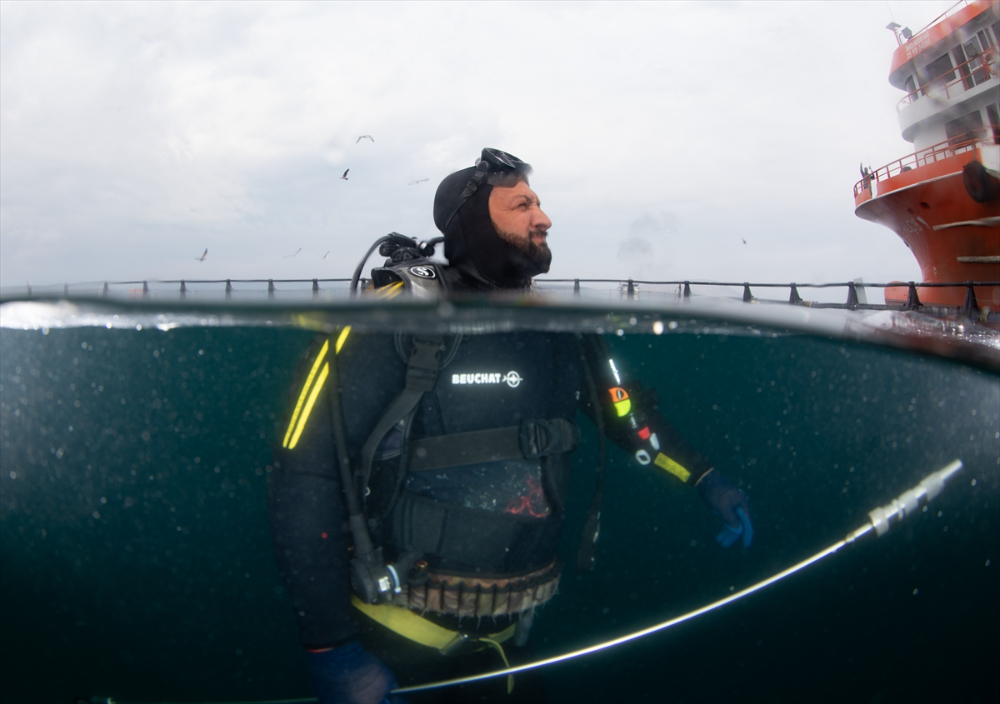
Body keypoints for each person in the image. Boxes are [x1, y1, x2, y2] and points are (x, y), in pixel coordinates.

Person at [268, 148, 753, 704]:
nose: (543, 218)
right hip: (396, 649)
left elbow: (628, 419)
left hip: (509, 649)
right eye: (522, 205)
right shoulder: (392, 317)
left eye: (540, 204)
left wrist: (706, 479)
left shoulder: (562, 326)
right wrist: (333, 652)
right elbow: (303, 478)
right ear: (473, 222)